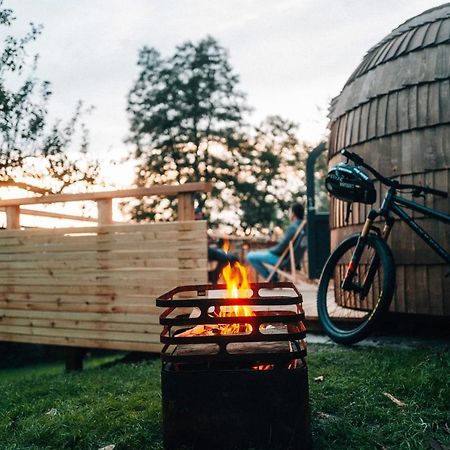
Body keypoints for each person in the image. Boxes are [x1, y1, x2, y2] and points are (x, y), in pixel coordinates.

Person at [246, 203, 305, 281]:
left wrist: (269, 251)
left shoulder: (293, 227)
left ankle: (272, 279)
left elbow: (281, 247)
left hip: (284, 260)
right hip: (292, 260)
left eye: (290, 212)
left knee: (250, 256)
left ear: (293, 214)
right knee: (263, 255)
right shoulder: (303, 227)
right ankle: (273, 276)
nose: (289, 214)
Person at [194, 207, 239, 283]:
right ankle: (213, 277)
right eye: (199, 214)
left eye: (200, 214)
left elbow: (208, 239)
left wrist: (212, 239)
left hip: (206, 248)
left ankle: (213, 276)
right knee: (230, 258)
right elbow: (201, 240)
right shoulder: (196, 224)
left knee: (227, 256)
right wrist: (210, 240)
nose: (200, 216)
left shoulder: (200, 224)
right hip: (203, 250)